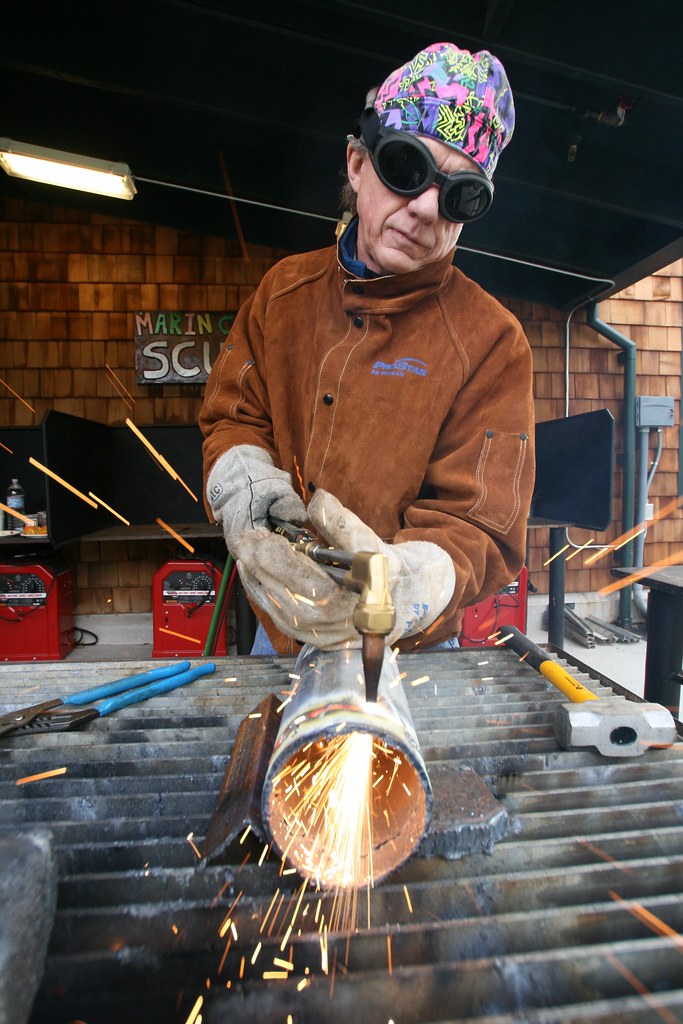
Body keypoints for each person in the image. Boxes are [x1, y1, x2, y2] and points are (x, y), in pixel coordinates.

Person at [199, 41, 535, 657]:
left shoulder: (491, 343)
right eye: (407, 168)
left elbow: (480, 523)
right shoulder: (283, 294)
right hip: (283, 628)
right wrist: (245, 484)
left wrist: (410, 584)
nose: (426, 207)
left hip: (411, 648)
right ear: (357, 164)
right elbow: (233, 416)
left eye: (459, 194)